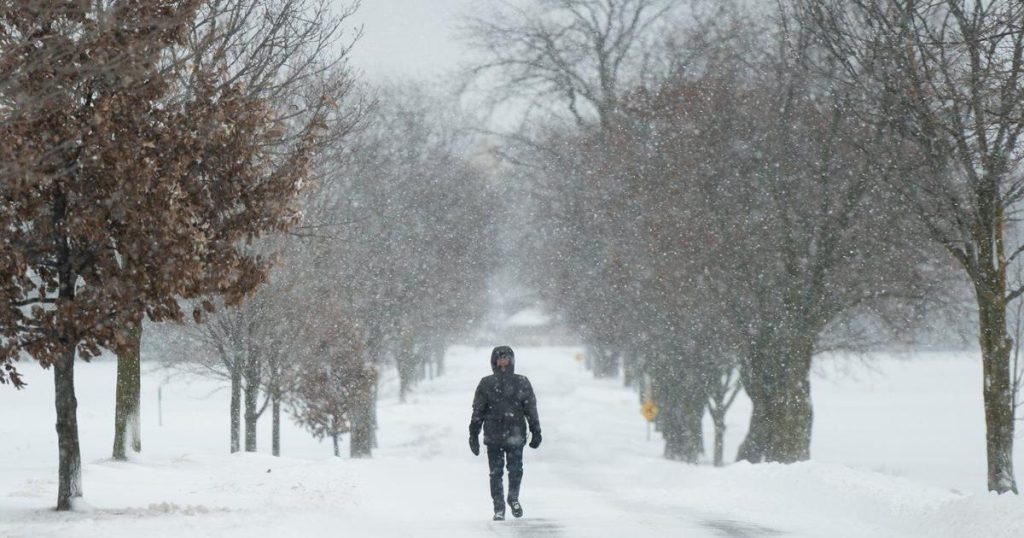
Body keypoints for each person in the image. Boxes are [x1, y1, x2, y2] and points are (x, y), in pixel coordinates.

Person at [468, 345, 541, 521]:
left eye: (506, 357)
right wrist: (473, 434)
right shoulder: (486, 383)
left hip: (516, 434)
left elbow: (530, 408)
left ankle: (513, 497)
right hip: (493, 435)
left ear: (512, 360)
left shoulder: (522, 381)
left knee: (516, 469)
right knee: (495, 473)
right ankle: (498, 507)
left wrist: (536, 430)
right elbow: (478, 410)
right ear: (494, 360)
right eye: (500, 358)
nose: (503, 361)